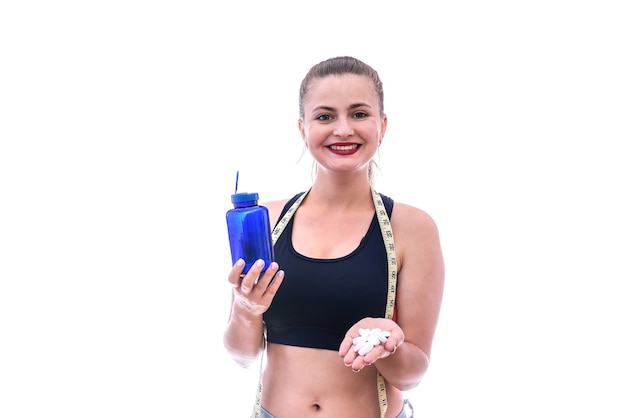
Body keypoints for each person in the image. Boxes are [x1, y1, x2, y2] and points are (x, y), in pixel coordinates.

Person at [223, 56, 445, 418]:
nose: (343, 129)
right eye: (325, 116)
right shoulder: (266, 219)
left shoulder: (412, 228)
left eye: (359, 114)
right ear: (302, 128)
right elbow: (242, 355)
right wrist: (247, 309)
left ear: (382, 125)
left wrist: (389, 343)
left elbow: (412, 373)